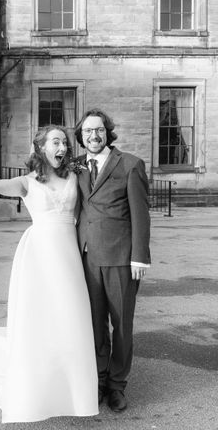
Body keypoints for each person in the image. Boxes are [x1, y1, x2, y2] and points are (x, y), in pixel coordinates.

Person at [0, 126, 98, 424]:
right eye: (55, 142)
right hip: (40, 253)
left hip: (69, 254)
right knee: (41, 315)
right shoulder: (27, 182)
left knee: (71, 313)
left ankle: (76, 388)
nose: (62, 146)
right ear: (40, 148)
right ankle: (39, 382)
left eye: (64, 142)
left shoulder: (75, 177)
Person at [74, 109, 151, 413]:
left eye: (99, 130)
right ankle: (99, 379)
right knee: (93, 325)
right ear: (80, 137)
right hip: (87, 259)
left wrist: (140, 257)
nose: (94, 136)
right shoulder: (77, 167)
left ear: (107, 132)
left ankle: (117, 385)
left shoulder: (130, 165)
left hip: (121, 259)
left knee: (121, 326)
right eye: (87, 131)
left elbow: (141, 215)